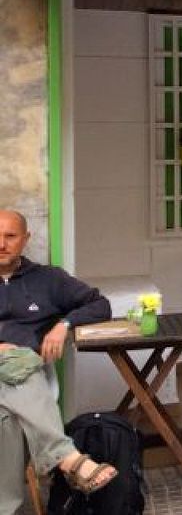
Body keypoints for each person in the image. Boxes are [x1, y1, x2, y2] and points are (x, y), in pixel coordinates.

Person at [0, 209, 118, 514]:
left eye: (10, 236)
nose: (1, 244)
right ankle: (66, 457)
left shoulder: (48, 279)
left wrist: (63, 325)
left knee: (5, 418)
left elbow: (100, 305)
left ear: (26, 239)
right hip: (19, 369)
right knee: (14, 360)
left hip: (23, 373)